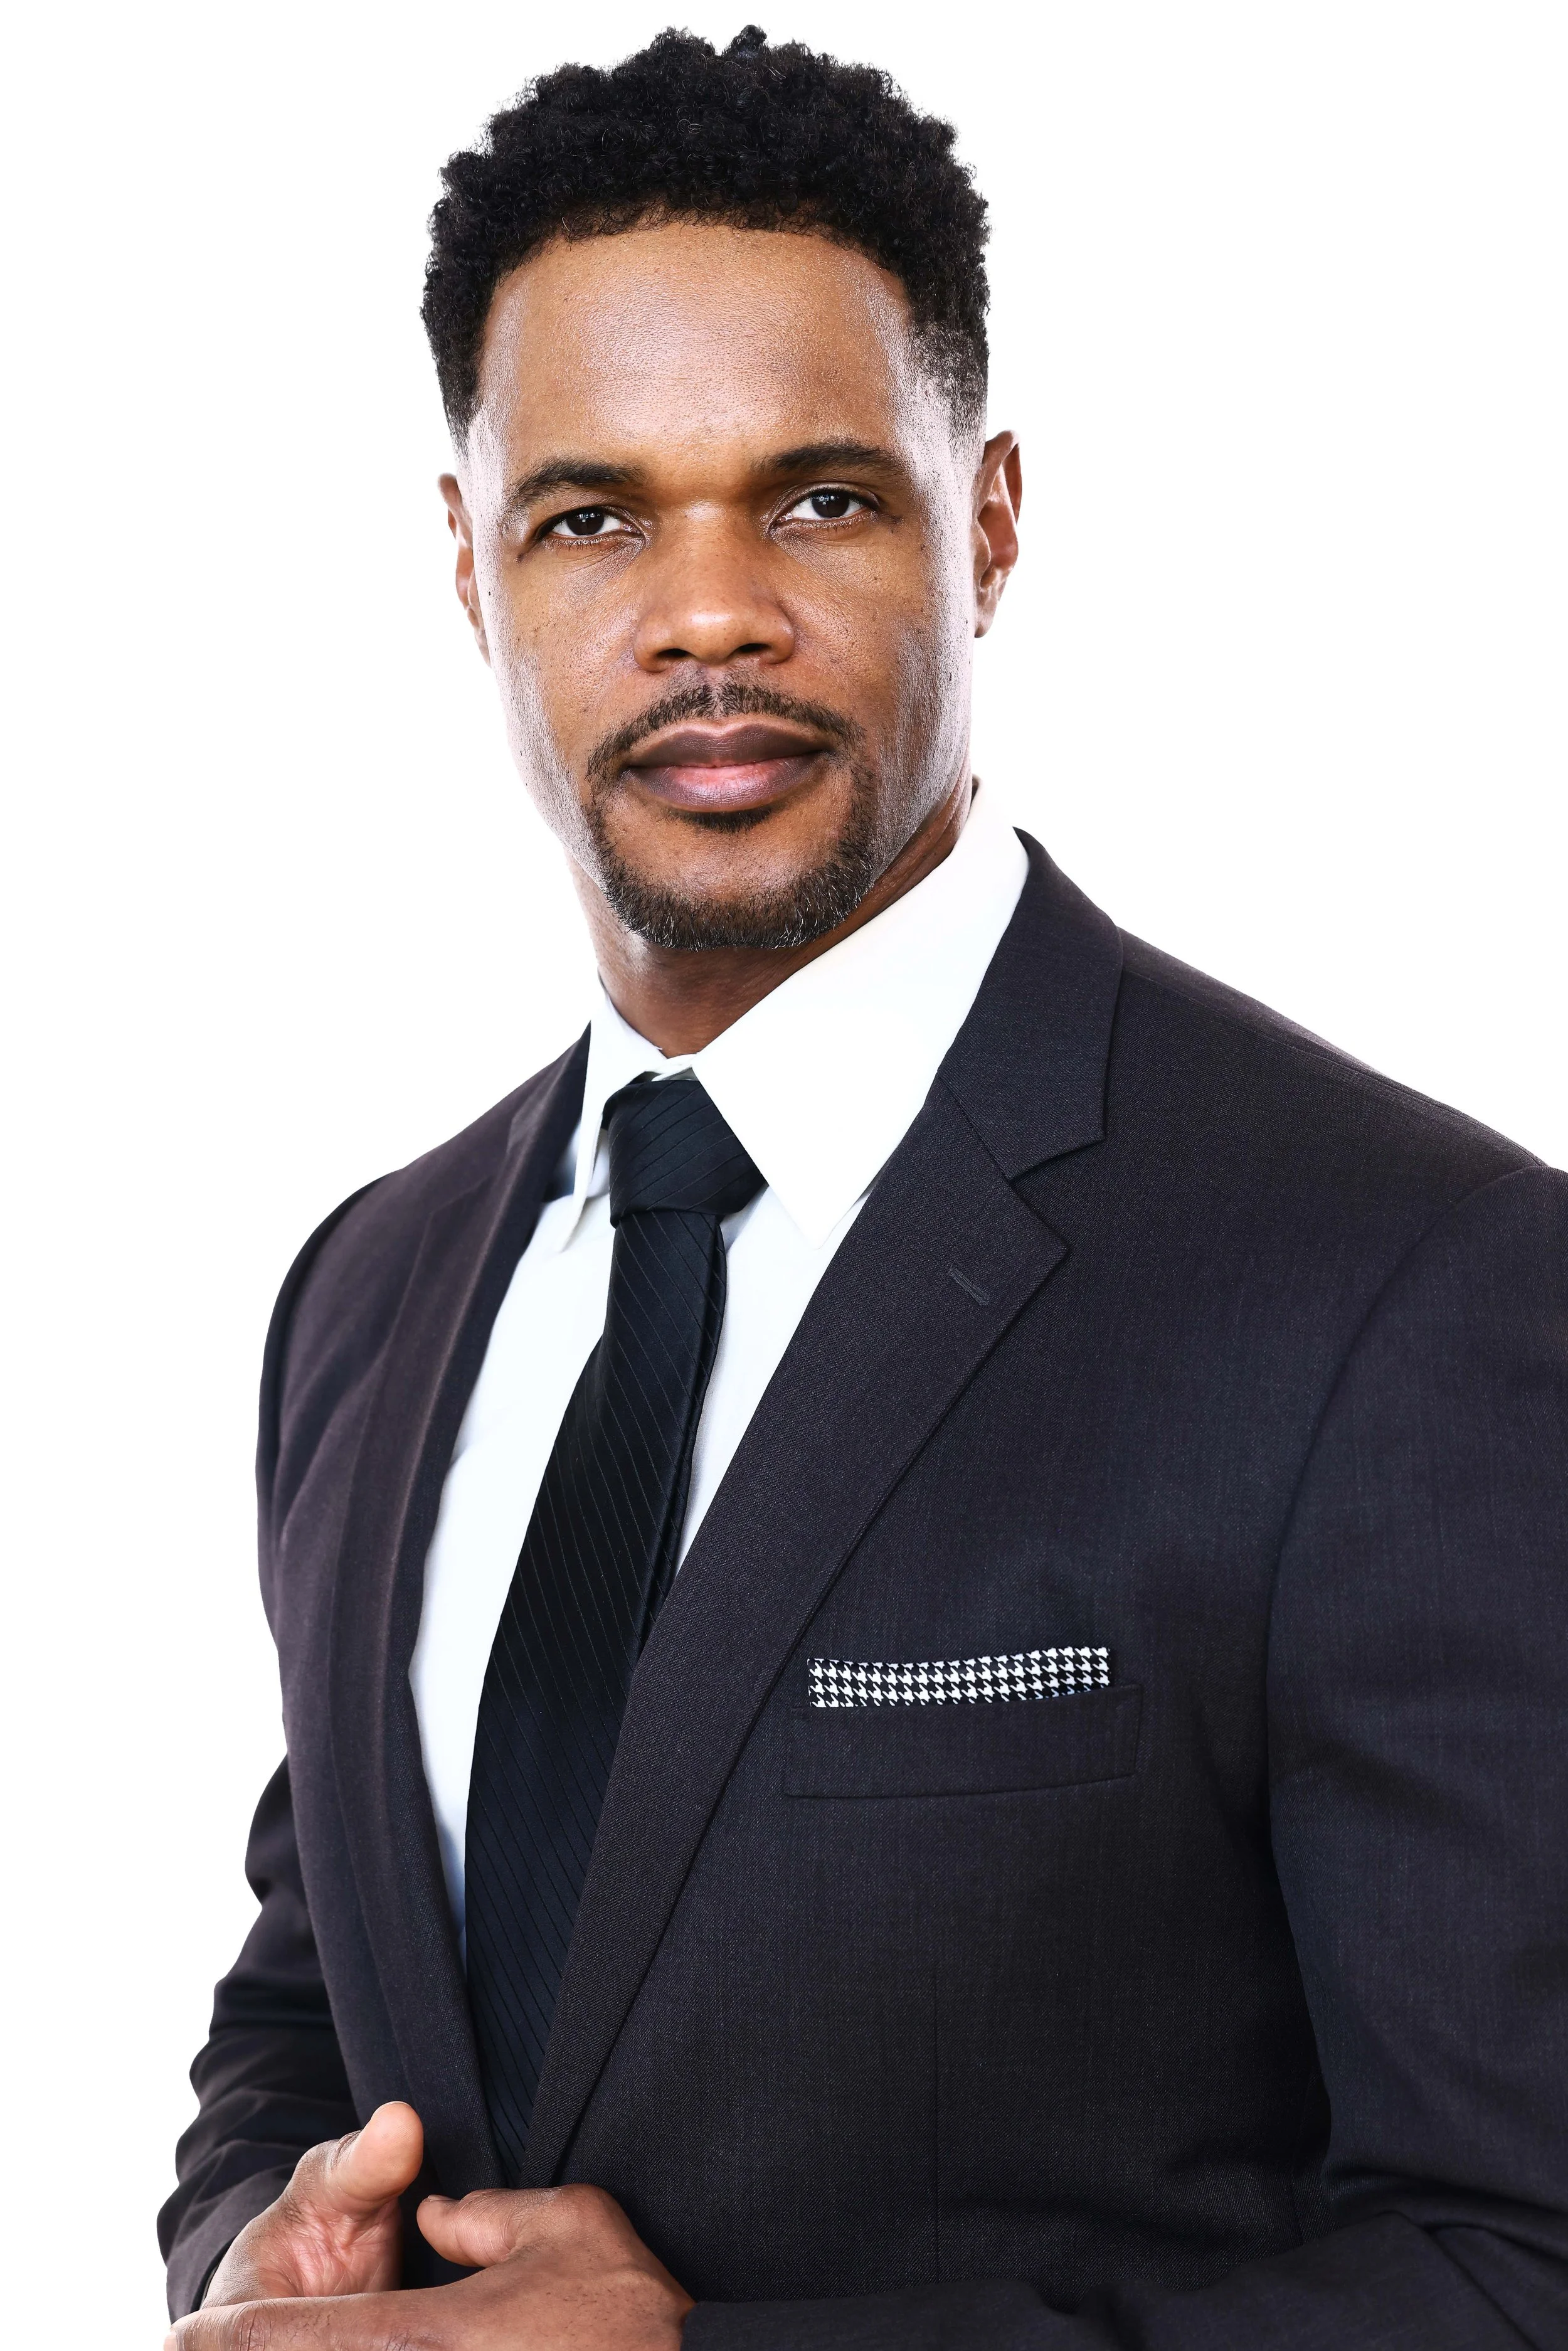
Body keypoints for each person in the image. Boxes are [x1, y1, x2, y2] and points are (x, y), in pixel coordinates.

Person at [161, 27, 1568, 2350]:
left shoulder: (1408, 1289)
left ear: (987, 520)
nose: (708, 610)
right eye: (592, 517)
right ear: (468, 567)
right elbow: (314, 2008)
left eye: (817, 500)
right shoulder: (370, 1291)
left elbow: (1519, 2258)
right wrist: (258, 2248)